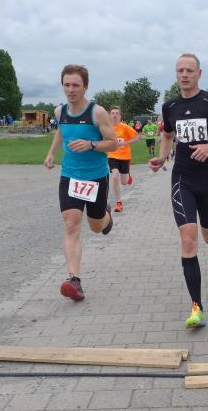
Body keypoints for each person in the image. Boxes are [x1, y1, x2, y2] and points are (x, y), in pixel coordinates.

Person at [148, 53, 208, 329]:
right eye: (180, 70)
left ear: (199, 73)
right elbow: (168, 135)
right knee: (189, 240)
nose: (184, 74)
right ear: (176, 73)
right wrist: (162, 157)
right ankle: (196, 307)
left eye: (189, 70)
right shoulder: (170, 106)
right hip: (182, 178)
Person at [44, 64, 118, 301]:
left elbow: (113, 143)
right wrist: (51, 153)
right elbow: (61, 132)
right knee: (71, 224)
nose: (71, 89)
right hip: (70, 176)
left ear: (85, 87)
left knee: (96, 227)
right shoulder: (60, 112)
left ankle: (106, 216)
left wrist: (91, 144)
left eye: (76, 85)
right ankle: (74, 280)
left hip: (95, 177)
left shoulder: (97, 113)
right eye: (67, 85)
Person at [108, 106, 139, 212]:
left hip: (125, 156)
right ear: (110, 115)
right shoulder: (107, 128)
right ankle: (118, 202)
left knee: (124, 182)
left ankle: (128, 176)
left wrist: (124, 143)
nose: (115, 115)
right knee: (115, 176)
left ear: (120, 116)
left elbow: (136, 138)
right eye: (113, 113)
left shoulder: (125, 127)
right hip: (112, 156)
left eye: (117, 113)